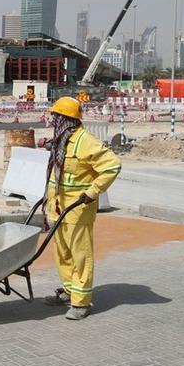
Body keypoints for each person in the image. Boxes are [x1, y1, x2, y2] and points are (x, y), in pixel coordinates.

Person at [42, 97, 121, 320]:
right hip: (58, 207)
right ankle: (69, 290)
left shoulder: (85, 141)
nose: (52, 120)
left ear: (66, 119)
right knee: (63, 253)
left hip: (77, 209)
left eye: (55, 116)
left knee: (80, 255)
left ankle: (81, 302)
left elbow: (112, 165)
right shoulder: (62, 140)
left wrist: (92, 192)